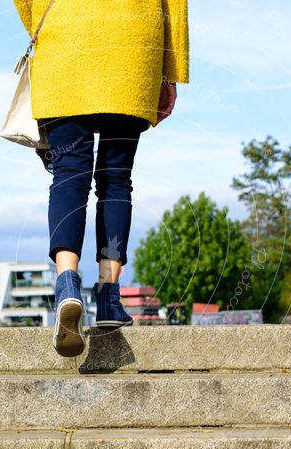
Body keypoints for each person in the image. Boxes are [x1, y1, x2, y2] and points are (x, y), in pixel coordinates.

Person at [13, 0, 189, 357]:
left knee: (68, 174)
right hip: (133, 43)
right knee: (116, 179)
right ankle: (109, 295)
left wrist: (41, 25)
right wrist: (170, 72)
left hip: (66, 40)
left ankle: (67, 284)